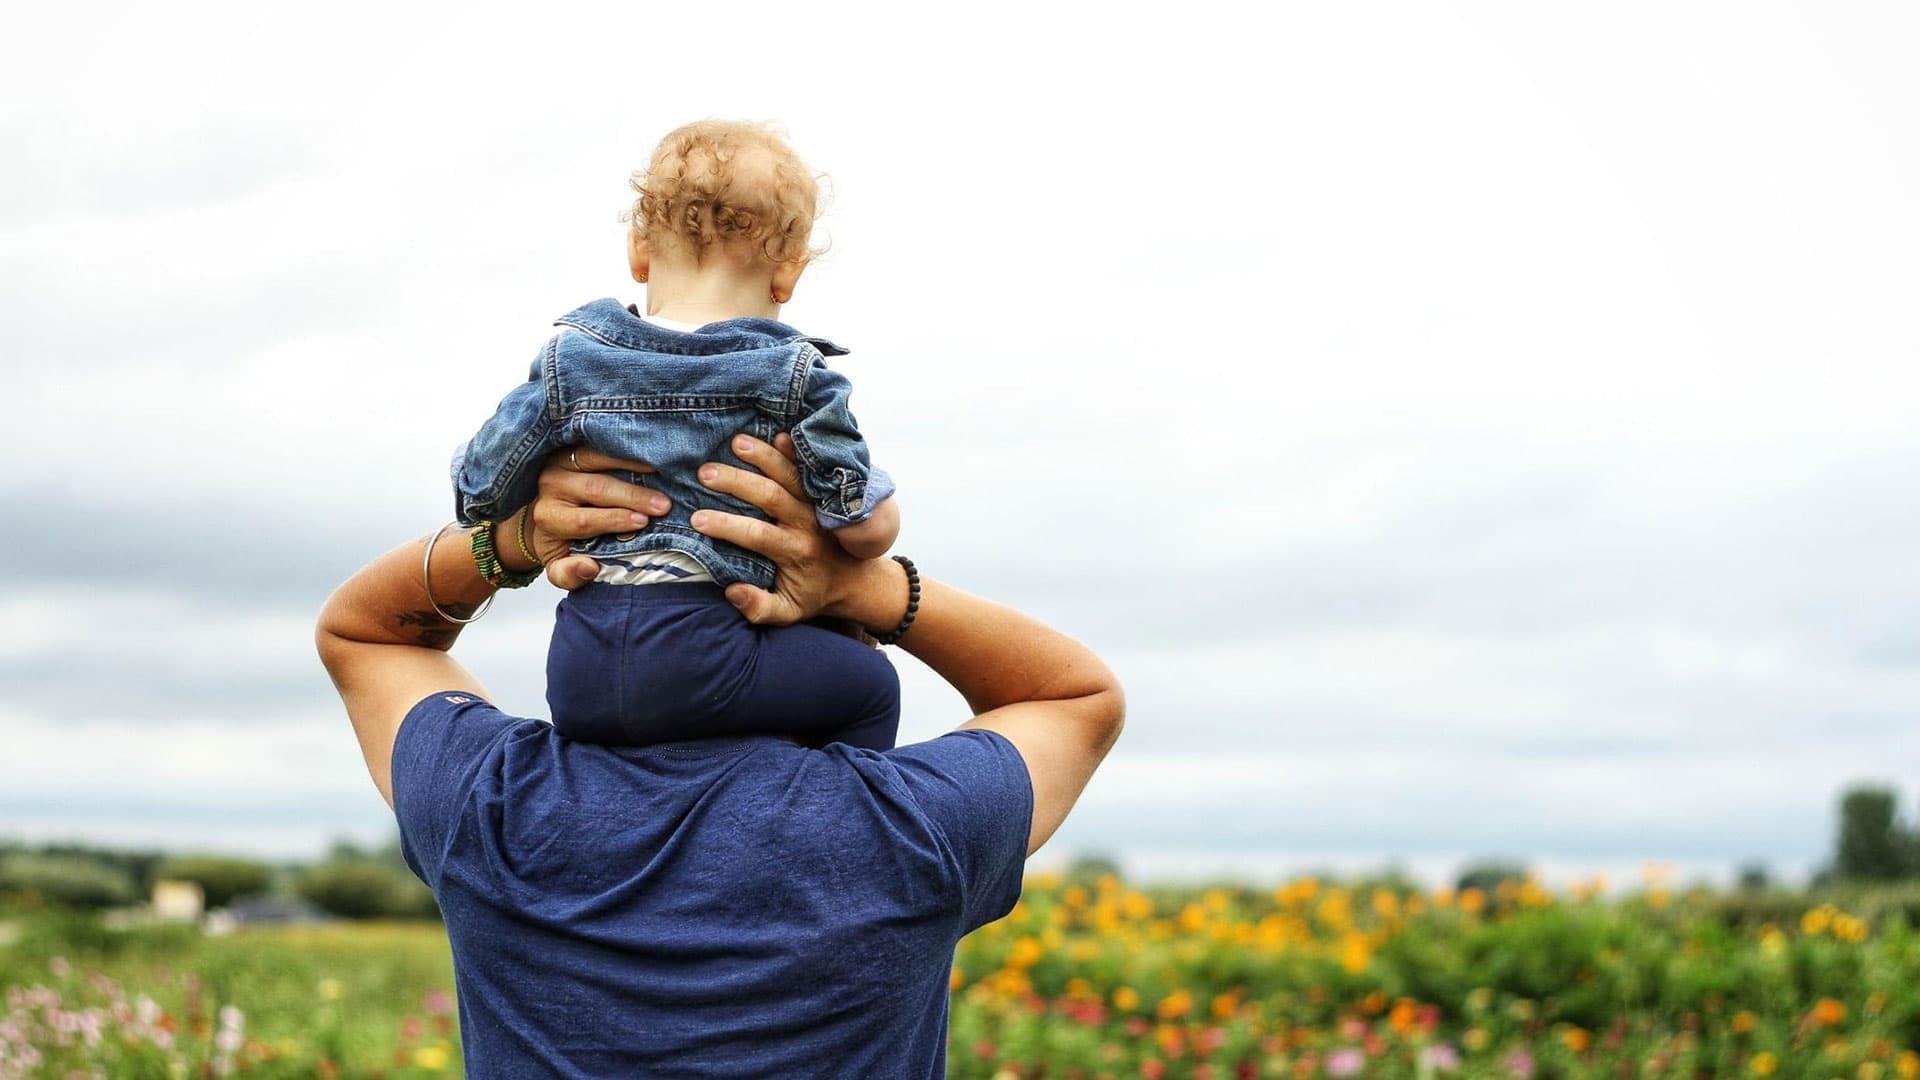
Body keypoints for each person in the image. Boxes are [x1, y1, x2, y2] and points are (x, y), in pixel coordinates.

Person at [315, 435, 1124, 1077]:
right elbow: (1074, 698)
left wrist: (516, 539)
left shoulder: (494, 806)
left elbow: (367, 633)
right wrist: (864, 585)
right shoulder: (912, 829)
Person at [451, 119, 902, 749]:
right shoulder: (794, 375)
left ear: (638, 252)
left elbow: (482, 488)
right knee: (871, 685)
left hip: (581, 664)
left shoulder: (570, 360)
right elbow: (858, 527)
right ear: (788, 275)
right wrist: (876, 514)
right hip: (713, 651)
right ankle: (836, 822)